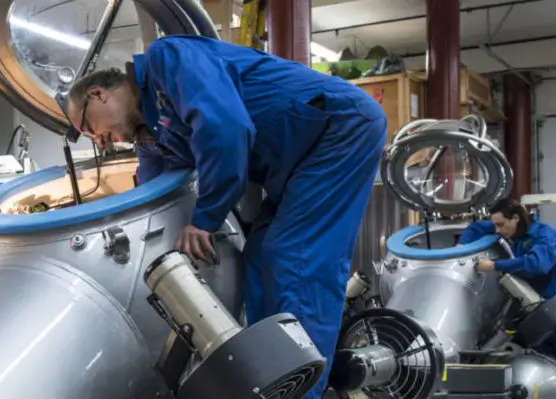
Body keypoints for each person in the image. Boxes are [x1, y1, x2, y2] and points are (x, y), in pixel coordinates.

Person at [65, 34, 387, 398]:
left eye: (89, 128)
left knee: (293, 258)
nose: (99, 141)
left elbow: (226, 130)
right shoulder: (154, 129)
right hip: (297, 161)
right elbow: (150, 194)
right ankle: (274, 380)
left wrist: (205, 219)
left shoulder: (166, 59)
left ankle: (305, 390)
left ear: (97, 94)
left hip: (338, 129)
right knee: (260, 256)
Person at [459, 198, 556, 398]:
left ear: (515, 218)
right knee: (544, 367)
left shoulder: (546, 234)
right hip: (536, 311)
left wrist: (496, 266)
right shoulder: (510, 228)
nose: (497, 230)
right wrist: (460, 249)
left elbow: (537, 265)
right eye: (495, 225)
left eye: (501, 225)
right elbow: (476, 228)